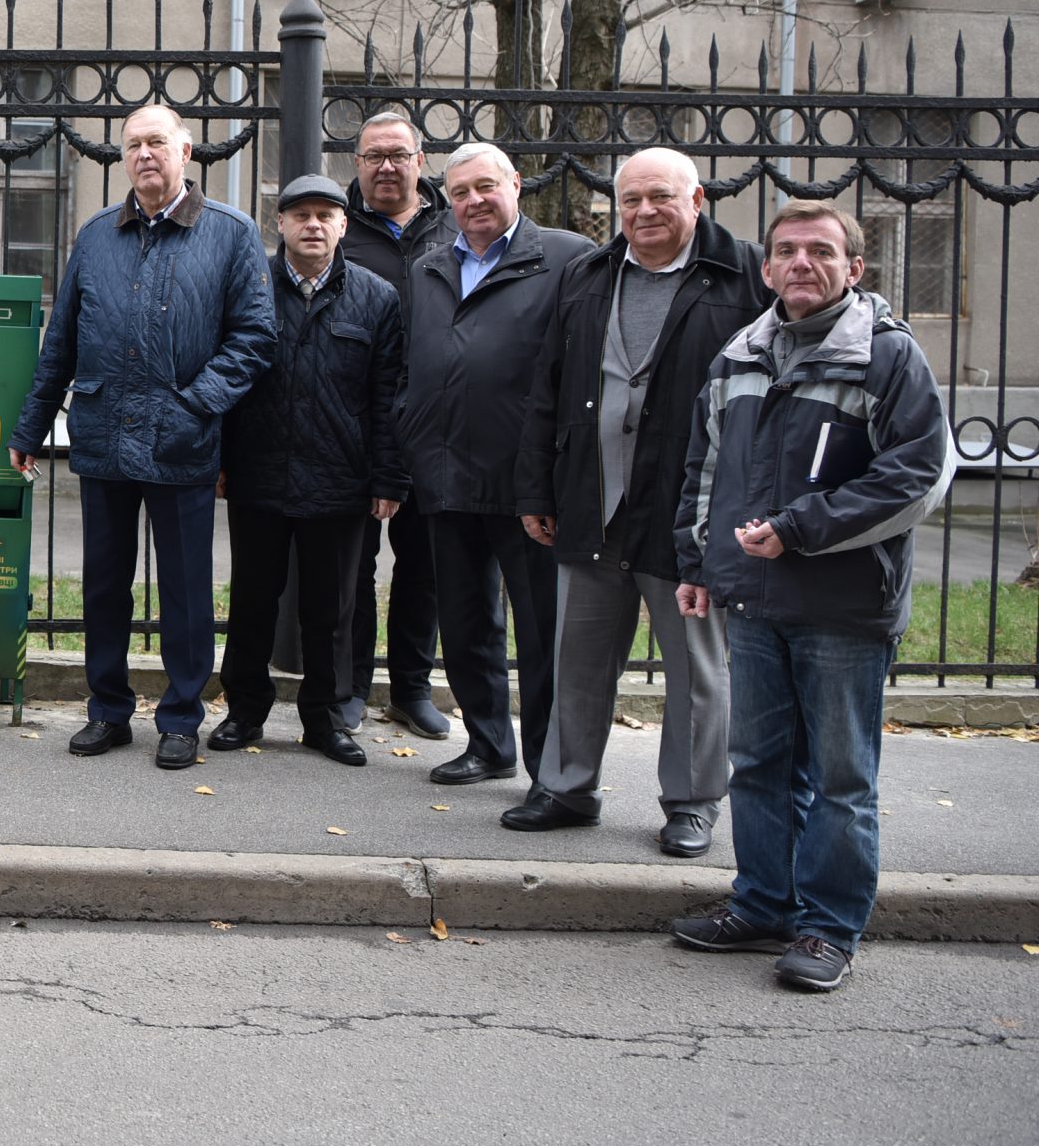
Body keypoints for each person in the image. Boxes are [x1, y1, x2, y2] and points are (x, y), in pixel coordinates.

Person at [670, 203, 954, 992]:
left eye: (822, 251)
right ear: (767, 269)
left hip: (843, 606)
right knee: (759, 764)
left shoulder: (887, 356)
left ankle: (828, 928)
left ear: (854, 268)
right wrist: (697, 561)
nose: (802, 262)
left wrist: (799, 529)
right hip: (754, 600)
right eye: (787, 250)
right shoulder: (740, 354)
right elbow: (706, 469)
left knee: (840, 778)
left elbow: (914, 476)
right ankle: (764, 903)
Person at [509, 149, 767, 856]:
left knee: (695, 667)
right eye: (631, 200)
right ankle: (566, 787)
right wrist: (536, 487)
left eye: (661, 197)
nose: (644, 211)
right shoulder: (589, 274)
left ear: (696, 200)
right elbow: (548, 384)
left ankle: (691, 802)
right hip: (593, 499)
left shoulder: (744, 276)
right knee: (578, 657)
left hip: (689, 511)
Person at [10, 103, 274, 771]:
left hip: (182, 441)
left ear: (186, 151)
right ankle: (107, 709)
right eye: (132, 145)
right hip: (102, 436)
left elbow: (253, 338)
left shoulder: (232, 233)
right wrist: (33, 424)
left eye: (157, 141)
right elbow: (62, 339)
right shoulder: (98, 234)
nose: (144, 154)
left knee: (185, 591)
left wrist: (195, 406)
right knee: (104, 586)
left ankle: (181, 717)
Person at [398, 142, 589, 789]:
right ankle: (488, 745)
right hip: (446, 472)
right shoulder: (428, 268)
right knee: (465, 623)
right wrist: (411, 435)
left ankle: (551, 771)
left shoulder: (566, 258)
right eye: (460, 192)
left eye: (486, 186)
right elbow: (414, 362)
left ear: (516, 184)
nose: (474, 200)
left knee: (543, 632)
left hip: (530, 483)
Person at [210, 175, 407, 765]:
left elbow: (388, 395)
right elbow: (227, 377)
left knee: (332, 610)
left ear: (344, 224)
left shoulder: (376, 297)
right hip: (259, 471)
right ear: (280, 223)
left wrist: (388, 476)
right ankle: (244, 711)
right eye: (301, 215)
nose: (313, 225)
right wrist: (220, 461)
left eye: (326, 215)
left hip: (340, 477)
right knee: (252, 602)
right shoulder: (248, 288)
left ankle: (326, 718)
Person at [338, 110, 452, 739]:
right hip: (354, 425)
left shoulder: (454, 228)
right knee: (351, 567)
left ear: (419, 161)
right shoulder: (338, 229)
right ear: (357, 163)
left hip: (435, 426)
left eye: (398, 155)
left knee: (425, 565)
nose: (386, 166)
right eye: (373, 156)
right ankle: (350, 687)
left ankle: (411, 688)